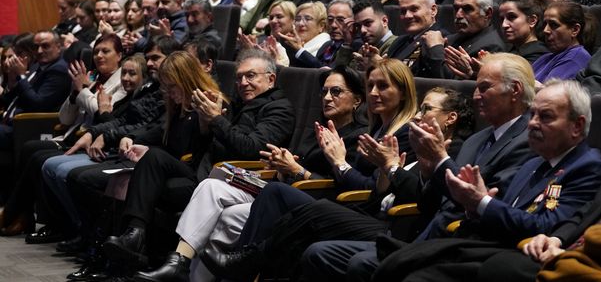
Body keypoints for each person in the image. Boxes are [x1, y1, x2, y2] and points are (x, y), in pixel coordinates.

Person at [208, 53, 536, 281]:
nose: (375, 93)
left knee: (308, 212)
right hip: (385, 213)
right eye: (371, 86)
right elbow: (407, 191)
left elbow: (395, 194)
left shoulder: (413, 135)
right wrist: (396, 171)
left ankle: (246, 263)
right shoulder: (477, 139)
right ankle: (243, 265)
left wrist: (374, 167)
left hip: (398, 223)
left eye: (484, 88)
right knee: (294, 220)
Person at [134, 66, 368, 281]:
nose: (326, 97)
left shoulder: (358, 137)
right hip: (280, 189)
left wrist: (298, 170)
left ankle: (188, 271)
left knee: (226, 217)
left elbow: (341, 185)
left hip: (309, 205)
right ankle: (179, 262)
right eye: (324, 91)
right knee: (210, 186)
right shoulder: (317, 129)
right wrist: (281, 164)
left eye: (335, 92)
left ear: (357, 100)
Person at [370, 80, 601, 282]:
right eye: (533, 114)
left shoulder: (587, 166)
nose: (533, 123)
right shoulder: (533, 163)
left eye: (545, 116)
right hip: (481, 245)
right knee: (392, 266)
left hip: (510, 259)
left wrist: (481, 202)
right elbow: (505, 210)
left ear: (577, 126)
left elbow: (543, 226)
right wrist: (476, 205)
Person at [102, 49, 295, 266]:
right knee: (152, 159)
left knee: (153, 184)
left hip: (236, 181)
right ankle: (133, 238)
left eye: (250, 76)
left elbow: (252, 149)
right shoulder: (241, 104)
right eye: (239, 77)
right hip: (208, 171)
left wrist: (215, 120)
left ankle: (150, 259)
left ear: (271, 79)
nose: (243, 82)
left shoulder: (279, 108)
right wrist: (206, 126)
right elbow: (203, 148)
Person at [477, 93, 601, 282]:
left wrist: (568, 256)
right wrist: (557, 239)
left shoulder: (590, 165)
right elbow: (588, 213)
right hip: (572, 253)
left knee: (501, 267)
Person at [0, 34, 125, 239]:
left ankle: (19, 215)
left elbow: (103, 113)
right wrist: (75, 94)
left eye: (106, 51)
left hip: (94, 142)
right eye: (96, 52)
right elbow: (65, 117)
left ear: (119, 55)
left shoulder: (122, 81)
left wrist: (83, 90)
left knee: (36, 154)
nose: (99, 56)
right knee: (31, 149)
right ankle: (28, 217)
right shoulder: (92, 77)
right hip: (72, 135)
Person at [40, 54, 150, 248]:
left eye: (132, 74)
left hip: (117, 153)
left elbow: (122, 127)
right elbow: (110, 124)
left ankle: (89, 233)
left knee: (70, 174)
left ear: (144, 77)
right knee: (47, 164)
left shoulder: (138, 99)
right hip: (99, 146)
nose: (126, 78)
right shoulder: (129, 97)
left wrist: (104, 112)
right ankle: (78, 226)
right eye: (124, 73)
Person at [0, 31, 70, 152]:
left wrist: (21, 76)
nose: (39, 51)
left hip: (27, 127)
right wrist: (12, 80)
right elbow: (10, 99)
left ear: (58, 46)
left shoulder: (59, 70)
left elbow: (38, 103)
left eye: (45, 46)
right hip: (9, 122)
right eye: (36, 47)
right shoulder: (37, 66)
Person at [421, 0, 506, 79]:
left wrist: (435, 48)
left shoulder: (492, 46)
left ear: (487, 13)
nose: (458, 15)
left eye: (467, 9)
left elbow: (451, 83)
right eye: (456, 8)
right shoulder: (451, 38)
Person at [532, 0, 593, 84]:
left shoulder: (574, 59)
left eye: (553, 25)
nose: (545, 30)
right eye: (545, 24)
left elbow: (548, 94)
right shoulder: (546, 57)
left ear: (575, 30)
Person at [334, 0, 397, 69]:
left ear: (384, 21)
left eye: (368, 23)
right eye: (358, 26)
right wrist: (347, 42)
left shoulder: (397, 45)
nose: (362, 30)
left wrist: (371, 68)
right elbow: (339, 73)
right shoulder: (361, 48)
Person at [499, 0, 549, 64]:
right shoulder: (513, 49)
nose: (504, 25)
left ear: (532, 20)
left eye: (512, 17)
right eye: (502, 19)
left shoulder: (538, 55)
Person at [278, 1, 331, 66]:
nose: (301, 24)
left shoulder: (328, 48)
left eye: (308, 19)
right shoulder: (290, 46)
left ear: (321, 26)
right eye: (298, 19)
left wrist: (300, 50)